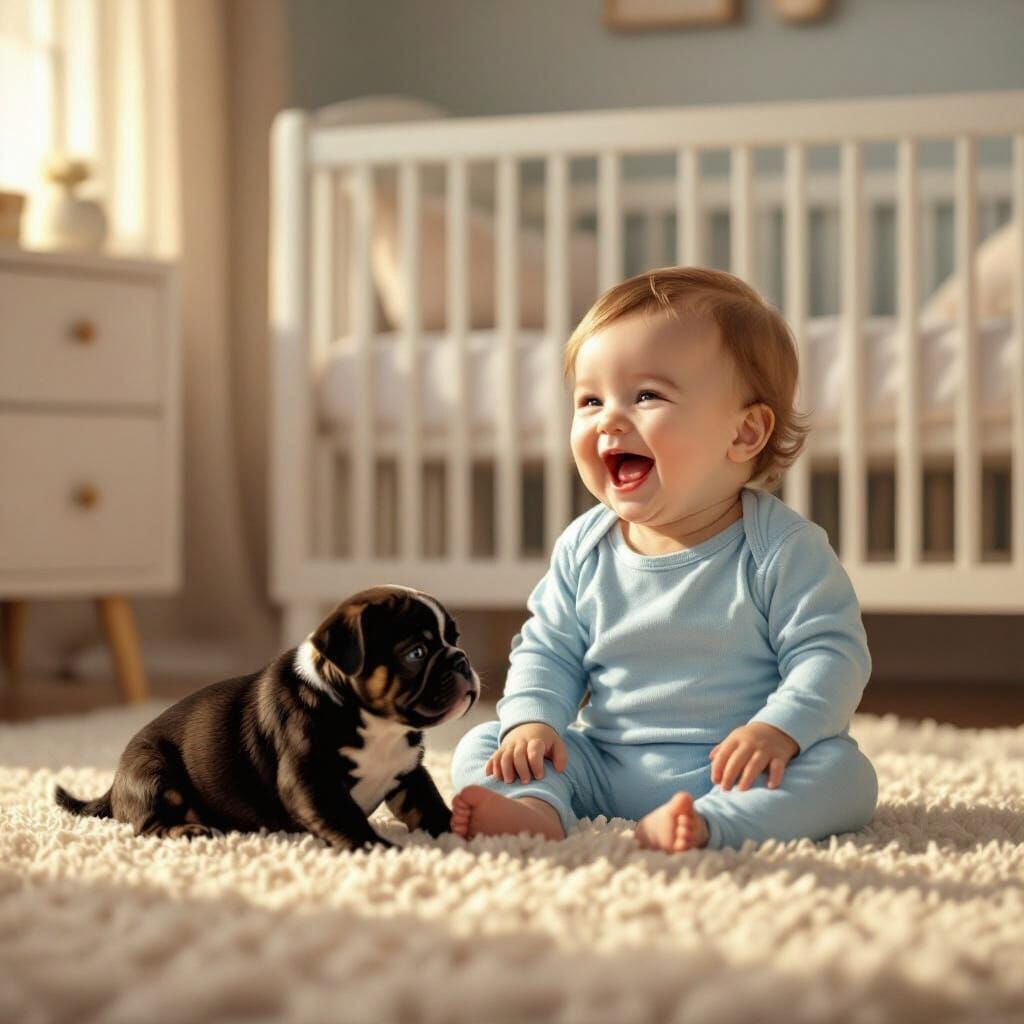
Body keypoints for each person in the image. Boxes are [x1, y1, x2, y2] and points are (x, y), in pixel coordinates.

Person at [449, 266, 878, 852]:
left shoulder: (781, 547)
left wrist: (778, 730)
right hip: (606, 764)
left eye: (646, 395)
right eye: (590, 399)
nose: (609, 419)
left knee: (845, 776)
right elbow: (548, 648)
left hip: (736, 765)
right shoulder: (585, 546)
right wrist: (533, 722)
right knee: (485, 743)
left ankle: (712, 824)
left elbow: (831, 654)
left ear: (745, 433)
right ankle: (535, 808)